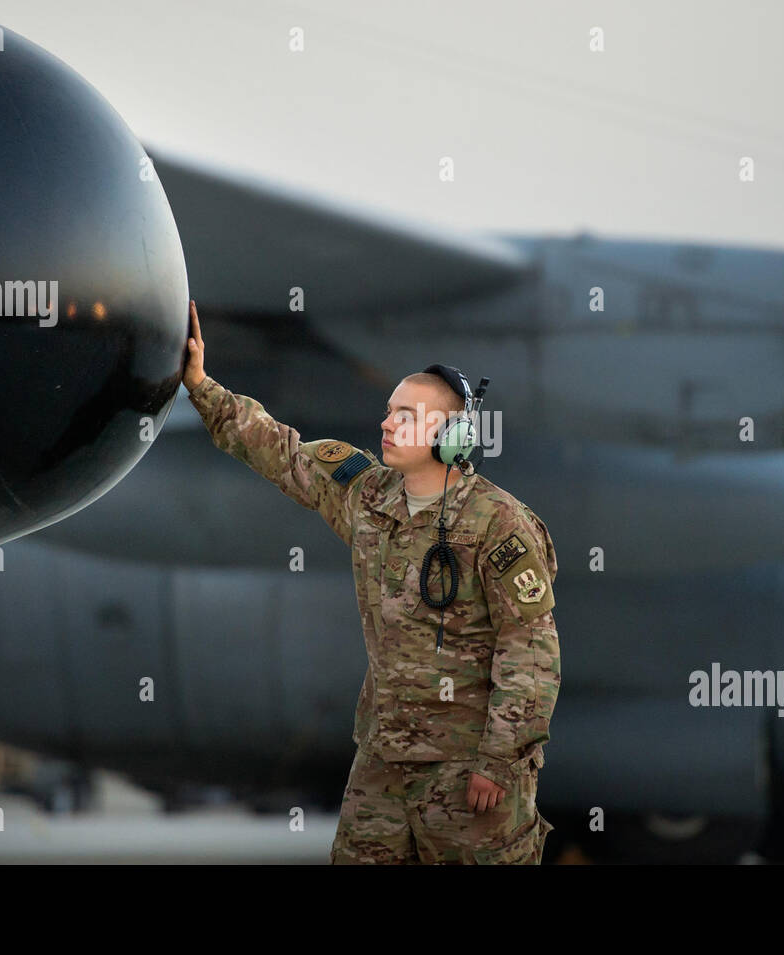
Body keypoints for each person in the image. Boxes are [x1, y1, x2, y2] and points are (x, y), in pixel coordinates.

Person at [182, 300, 559, 864]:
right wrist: (200, 385)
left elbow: (530, 650)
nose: (387, 423)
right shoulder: (367, 493)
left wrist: (501, 762)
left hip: (468, 769)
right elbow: (279, 451)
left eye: (406, 415)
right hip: (383, 759)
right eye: (389, 411)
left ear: (453, 434)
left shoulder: (498, 523)